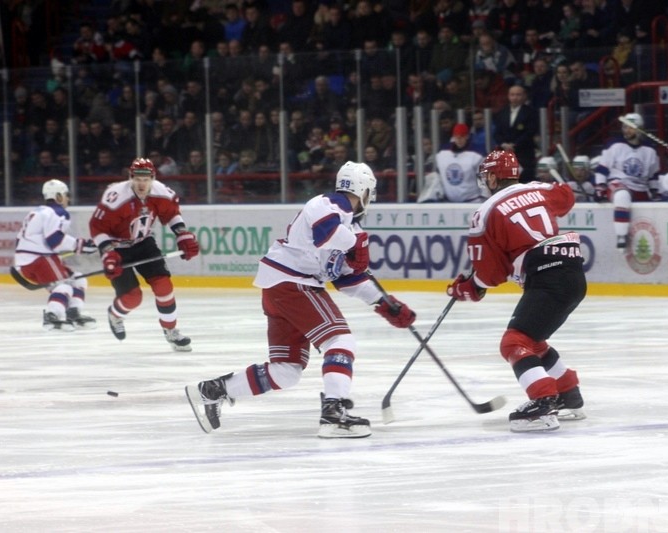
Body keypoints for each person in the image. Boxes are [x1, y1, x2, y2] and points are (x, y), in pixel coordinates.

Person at [185, 162, 416, 438]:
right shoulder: (326, 204)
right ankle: (333, 413)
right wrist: (355, 244)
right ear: (364, 191)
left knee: (286, 371)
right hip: (292, 283)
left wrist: (384, 303)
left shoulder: (349, 226)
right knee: (340, 340)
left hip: (282, 288)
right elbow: (326, 234)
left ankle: (214, 390)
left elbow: (347, 279)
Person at [446, 149, 586, 433]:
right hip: (573, 271)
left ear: (495, 177)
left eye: (486, 177)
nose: (484, 182)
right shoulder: (538, 189)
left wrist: (469, 288)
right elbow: (566, 196)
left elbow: (491, 275)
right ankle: (568, 393)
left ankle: (543, 401)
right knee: (533, 340)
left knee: (513, 343)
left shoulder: (483, 213)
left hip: (548, 273)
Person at [89, 158, 200, 351]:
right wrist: (107, 252)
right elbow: (96, 227)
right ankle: (115, 314)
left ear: (153, 178)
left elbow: (172, 214)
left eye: (146, 179)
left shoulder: (163, 193)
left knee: (164, 286)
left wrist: (182, 233)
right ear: (130, 177)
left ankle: (171, 331)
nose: (142, 183)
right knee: (133, 298)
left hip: (143, 243)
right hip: (116, 248)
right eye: (137, 178)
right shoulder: (115, 197)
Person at [13, 179, 97, 331]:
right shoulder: (58, 212)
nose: (68, 199)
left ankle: (73, 312)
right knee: (63, 286)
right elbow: (55, 240)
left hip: (27, 261)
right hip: (40, 258)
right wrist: (81, 245)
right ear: (58, 196)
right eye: (66, 195)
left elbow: (20, 240)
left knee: (78, 280)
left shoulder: (37, 211)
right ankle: (52, 316)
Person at [594, 113, 660, 250]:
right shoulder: (615, 144)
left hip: (640, 187)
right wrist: (600, 187)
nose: (626, 130)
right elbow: (602, 168)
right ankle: (621, 236)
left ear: (639, 129)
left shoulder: (650, 150)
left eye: (630, 127)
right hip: (618, 183)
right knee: (621, 195)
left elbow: (653, 175)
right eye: (624, 127)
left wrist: (655, 191)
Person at [434, 123, 488, 202]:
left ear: (467, 136)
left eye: (462, 137)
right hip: (448, 203)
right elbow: (438, 176)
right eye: (457, 137)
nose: (459, 140)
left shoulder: (477, 154)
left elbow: (483, 177)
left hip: (472, 201)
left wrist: (484, 197)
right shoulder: (442, 153)